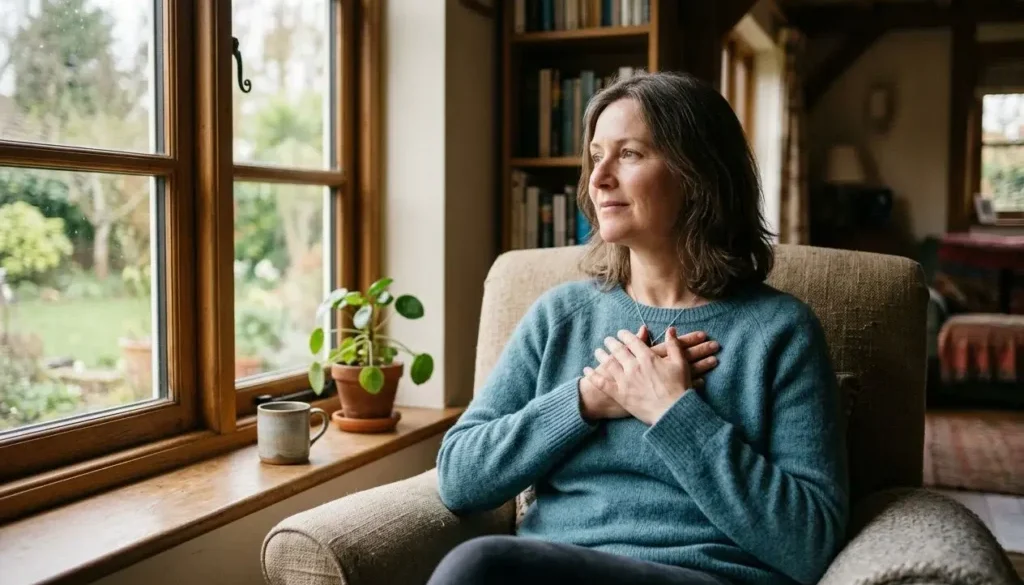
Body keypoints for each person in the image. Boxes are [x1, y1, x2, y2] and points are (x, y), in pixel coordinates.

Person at [428, 71, 848, 585]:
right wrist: (586, 398)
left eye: (628, 154)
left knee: (480, 567)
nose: (598, 178)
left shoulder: (780, 332)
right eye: (596, 155)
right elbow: (458, 477)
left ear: (699, 175)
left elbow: (810, 543)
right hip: (554, 569)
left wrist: (671, 412)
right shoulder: (559, 316)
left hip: (702, 576)